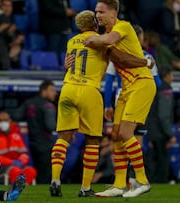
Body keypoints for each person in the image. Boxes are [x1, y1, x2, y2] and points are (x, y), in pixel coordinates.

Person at [83, 0, 156, 197]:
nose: (97, 15)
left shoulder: (122, 26)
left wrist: (93, 41)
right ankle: (119, 184)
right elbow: (116, 58)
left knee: (125, 133)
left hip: (142, 83)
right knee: (115, 134)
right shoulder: (104, 37)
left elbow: (111, 47)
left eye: (101, 12)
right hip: (126, 88)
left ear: (114, 12)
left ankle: (142, 181)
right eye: (96, 12)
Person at [49, 10, 108, 197]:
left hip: (67, 89)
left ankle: (55, 179)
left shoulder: (71, 41)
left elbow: (69, 63)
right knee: (92, 140)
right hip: (88, 90)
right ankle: (85, 188)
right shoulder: (100, 40)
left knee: (63, 137)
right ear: (95, 24)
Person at [12, 80, 57, 184]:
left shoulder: (29, 103)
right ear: (44, 91)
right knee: (45, 175)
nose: (55, 93)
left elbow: (16, 116)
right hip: (46, 144)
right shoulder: (48, 106)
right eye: (52, 90)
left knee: (37, 170)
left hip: (32, 143)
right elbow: (50, 126)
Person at [0, 111, 37, 185]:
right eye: (1, 120)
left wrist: (21, 161)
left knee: (31, 170)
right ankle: (15, 189)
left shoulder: (16, 136)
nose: (3, 123)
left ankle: (21, 189)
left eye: (5, 120)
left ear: (10, 121)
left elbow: (24, 154)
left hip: (18, 164)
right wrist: (11, 162)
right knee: (15, 170)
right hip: (1, 166)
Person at [146, 65, 177, 183]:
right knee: (162, 160)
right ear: (167, 76)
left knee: (154, 159)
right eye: (172, 74)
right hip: (160, 132)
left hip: (153, 130)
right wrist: (170, 133)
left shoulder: (156, 88)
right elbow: (164, 115)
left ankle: (151, 182)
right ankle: (161, 182)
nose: (173, 77)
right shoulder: (166, 89)